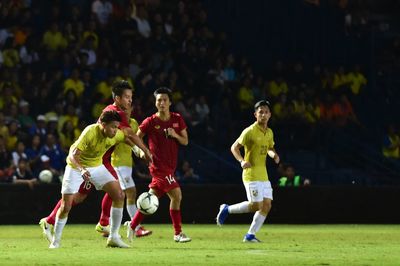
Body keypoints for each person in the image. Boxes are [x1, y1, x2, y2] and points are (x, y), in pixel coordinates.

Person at [39, 81, 152, 241]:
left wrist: (136, 150)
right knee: (108, 192)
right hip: (99, 160)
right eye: (127, 97)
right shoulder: (113, 112)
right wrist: (144, 151)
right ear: (117, 98)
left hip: (98, 160)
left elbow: (124, 137)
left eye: (131, 98)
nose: (130, 101)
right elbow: (129, 134)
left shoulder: (123, 116)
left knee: (84, 196)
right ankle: (104, 223)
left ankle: (102, 224)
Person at [47, 110, 133, 248]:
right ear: (103, 125)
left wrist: (140, 151)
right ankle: (55, 242)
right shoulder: (90, 132)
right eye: (113, 127)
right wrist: (82, 169)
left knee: (119, 195)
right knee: (66, 206)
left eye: (117, 127)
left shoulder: (115, 134)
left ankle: (113, 237)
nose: (115, 130)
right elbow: (73, 156)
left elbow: (127, 138)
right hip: (75, 167)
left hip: (96, 167)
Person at [127, 87, 191, 243]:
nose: (161, 103)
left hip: (170, 167)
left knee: (152, 197)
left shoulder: (177, 119)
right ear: (155, 103)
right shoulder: (150, 121)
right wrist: (141, 151)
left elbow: (185, 141)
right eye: (158, 100)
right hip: (157, 166)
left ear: (170, 102)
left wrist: (175, 134)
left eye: (164, 100)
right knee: (177, 195)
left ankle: (133, 226)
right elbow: (135, 138)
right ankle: (178, 233)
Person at [216, 100, 280, 242]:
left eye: (266, 112)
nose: (263, 114)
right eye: (260, 112)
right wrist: (242, 161)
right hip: (251, 174)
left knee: (267, 205)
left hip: (263, 175)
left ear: (270, 115)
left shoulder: (269, 132)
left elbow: (269, 147)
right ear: (255, 115)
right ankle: (227, 209)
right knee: (256, 205)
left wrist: (273, 155)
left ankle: (250, 235)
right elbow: (234, 147)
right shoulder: (249, 131)